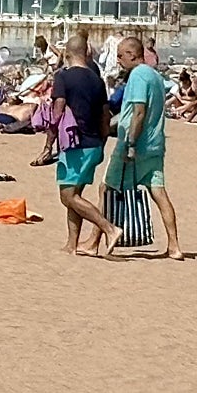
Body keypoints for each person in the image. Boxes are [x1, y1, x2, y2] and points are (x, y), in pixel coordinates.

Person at [100, 37, 183, 260]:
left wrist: (131, 145)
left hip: (136, 145)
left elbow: (139, 112)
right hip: (156, 145)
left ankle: (98, 240)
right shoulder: (155, 75)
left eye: (120, 55)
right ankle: (174, 246)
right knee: (159, 192)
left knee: (106, 188)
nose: (117, 59)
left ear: (132, 54)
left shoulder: (137, 75)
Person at [47, 35, 123, 256]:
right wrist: (102, 142)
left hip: (75, 144)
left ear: (67, 55)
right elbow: (105, 116)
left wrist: (48, 143)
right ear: (86, 54)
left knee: (67, 196)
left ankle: (110, 229)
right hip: (93, 143)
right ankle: (72, 244)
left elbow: (58, 110)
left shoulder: (63, 77)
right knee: (75, 193)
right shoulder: (97, 80)